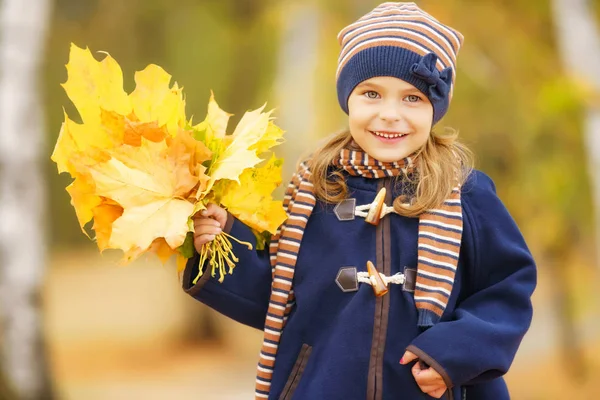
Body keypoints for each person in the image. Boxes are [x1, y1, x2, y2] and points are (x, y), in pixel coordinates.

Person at [182, 2, 536, 399]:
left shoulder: (465, 192)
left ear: (435, 107)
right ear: (347, 98)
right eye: (372, 93)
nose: (390, 114)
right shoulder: (315, 191)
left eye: (412, 98)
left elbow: (506, 290)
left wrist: (451, 355)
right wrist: (223, 244)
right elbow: (281, 297)